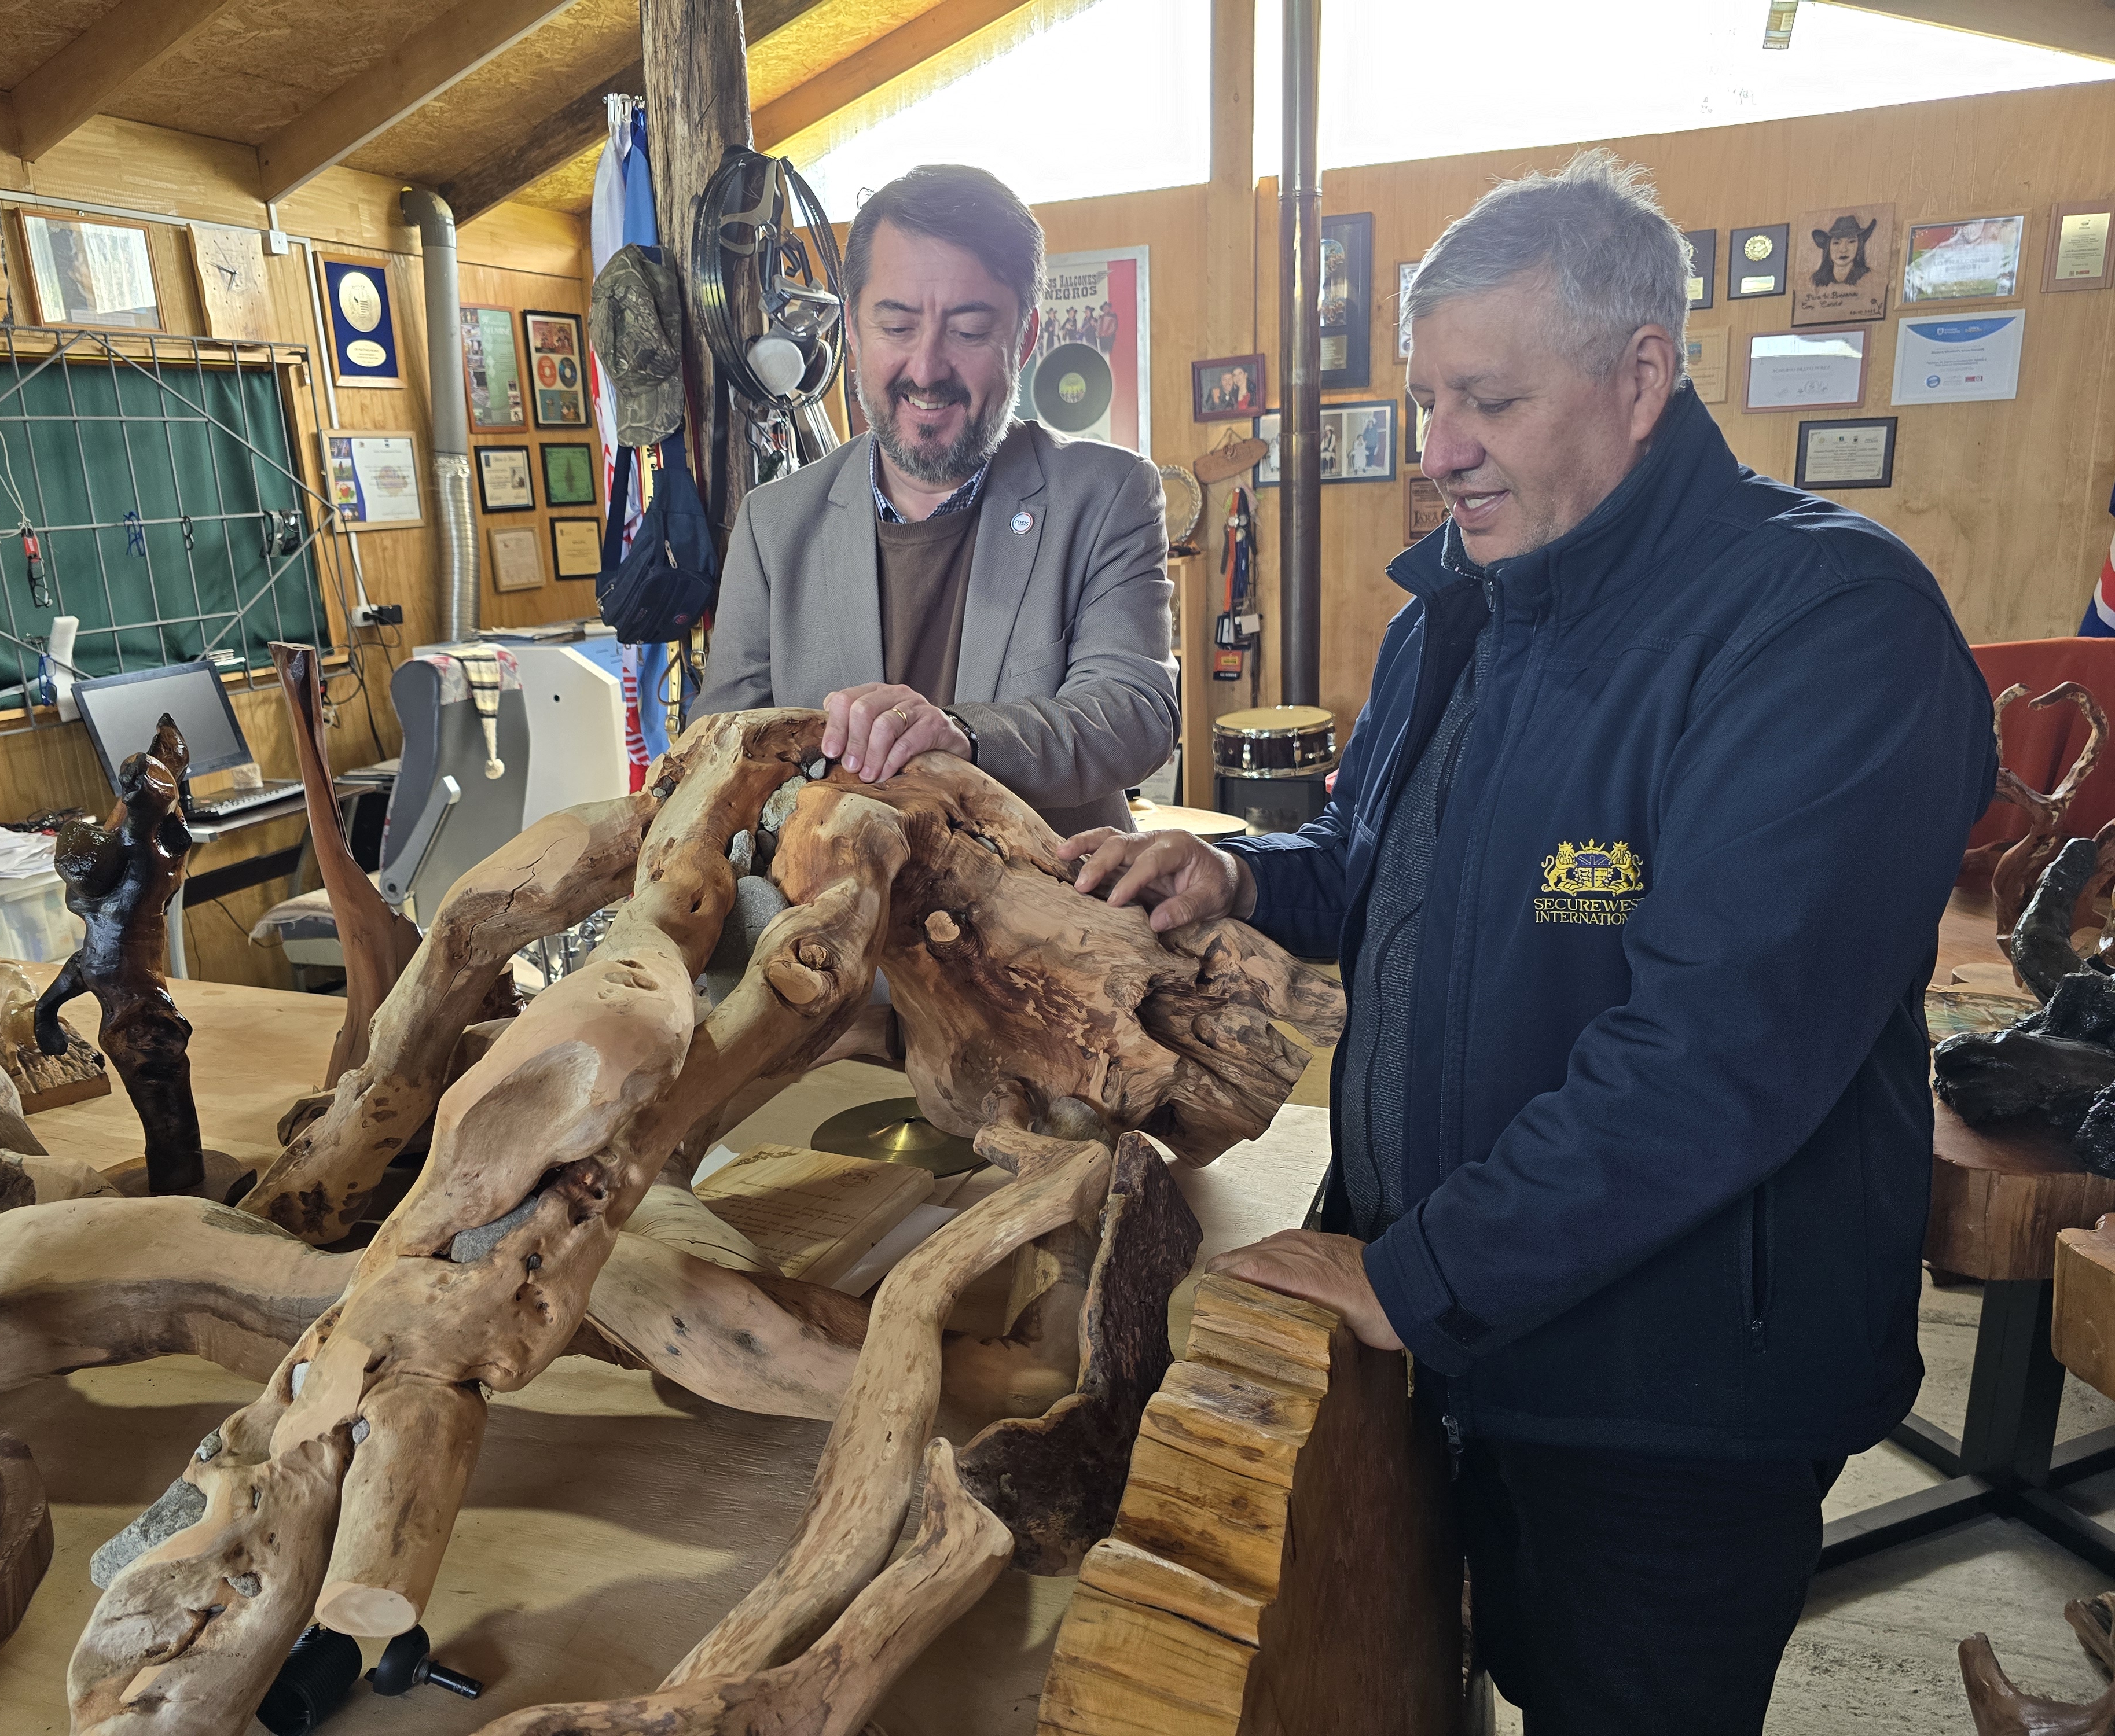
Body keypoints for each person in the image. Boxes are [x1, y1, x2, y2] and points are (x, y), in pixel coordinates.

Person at [1059, 150, 1995, 1734]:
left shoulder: (1825, 627)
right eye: (1429, 400)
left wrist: (1409, 1276)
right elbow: (1390, 871)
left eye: (1487, 402)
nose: (1440, 450)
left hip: (1665, 1396)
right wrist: (1239, 877)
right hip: (1462, 1335)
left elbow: (1713, 1063)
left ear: (1640, 377)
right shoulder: (1459, 609)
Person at [692, 164, 1178, 837]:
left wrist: (961, 735)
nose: (926, 369)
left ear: (1025, 338)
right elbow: (721, 752)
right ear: (853, 332)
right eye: (896, 326)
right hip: (830, 901)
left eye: (968, 331)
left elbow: (1134, 715)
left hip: (1051, 899)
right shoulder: (773, 524)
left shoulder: (1107, 495)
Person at [1812, 211, 1878, 286]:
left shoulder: (1869, 278)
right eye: (1836, 243)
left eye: (1851, 242)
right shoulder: (1816, 280)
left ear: (1859, 245)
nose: (1843, 250)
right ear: (1828, 247)